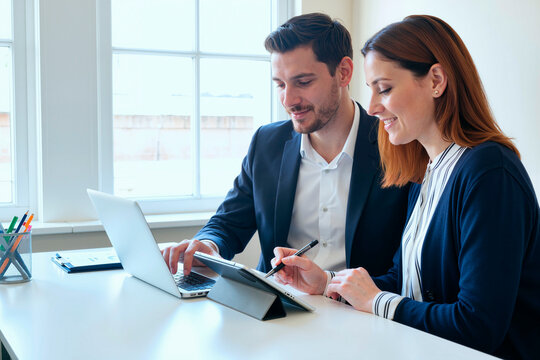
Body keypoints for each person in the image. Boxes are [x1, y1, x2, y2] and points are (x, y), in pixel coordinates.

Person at [270, 15, 540, 359]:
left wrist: (376, 301)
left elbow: (478, 325)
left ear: (436, 80)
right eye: (371, 91)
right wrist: (327, 284)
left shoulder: (490, 172)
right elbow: (404, 281)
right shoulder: (427, 170)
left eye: (384, 89)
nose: (372, 107)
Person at [161, 13, 409, 281]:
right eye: (280, 84)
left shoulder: (397, 144)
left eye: (303, 82)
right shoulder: (267, 143)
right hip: (275, 306)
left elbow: (407, 266)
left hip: (358, 310)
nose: (288, 99)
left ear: (344, 73)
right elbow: (228, 222)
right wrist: (208, 245)